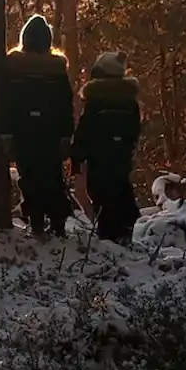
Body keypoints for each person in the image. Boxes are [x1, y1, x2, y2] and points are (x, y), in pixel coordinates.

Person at [0, 14, 76, 237]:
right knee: (53, 177)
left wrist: (6, 134)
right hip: (51, 133)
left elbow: (6, 103)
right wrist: (66, 135)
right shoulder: (57, 70)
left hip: (23, 132)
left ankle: (36, 223)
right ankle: (58, 222)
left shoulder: (13, 68)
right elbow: (66, 105)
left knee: (29, 178)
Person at [70, 50, 143, 244]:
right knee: (121, 188)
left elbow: (85, 129)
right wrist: (128, 146)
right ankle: (124, 230)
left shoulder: (96, 100)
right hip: (121, 156)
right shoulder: (129, 99)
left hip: (99, 157)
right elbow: (135, 128)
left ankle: (108, 235)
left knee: (100, 194)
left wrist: (77, 155)